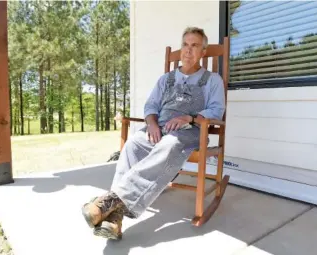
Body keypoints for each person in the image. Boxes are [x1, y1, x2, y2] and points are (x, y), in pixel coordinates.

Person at [81, 26, 226, 240]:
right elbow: (151, 106)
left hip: (190, 131)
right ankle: (114, 217)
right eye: (185, 44)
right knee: (133, 144)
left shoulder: (212, 80)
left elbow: (216, 111)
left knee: (169, 145)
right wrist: (151, 124)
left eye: (195, 45)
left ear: (203, 52)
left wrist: (190, 118)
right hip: (160, 128)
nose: (188, 50)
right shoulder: (165, 79)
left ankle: (109, 202)